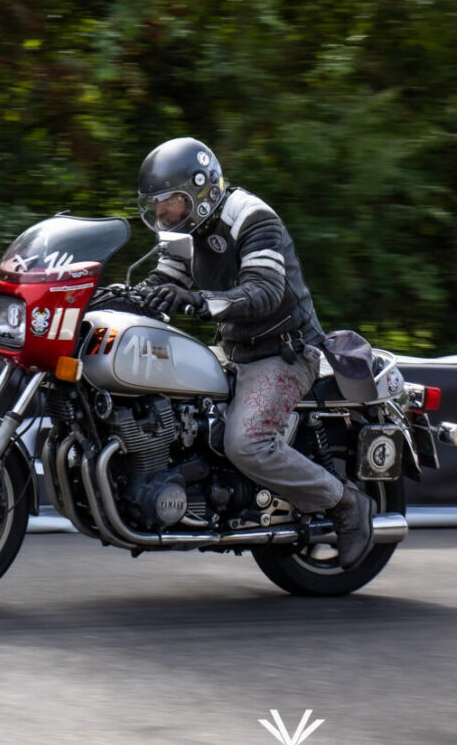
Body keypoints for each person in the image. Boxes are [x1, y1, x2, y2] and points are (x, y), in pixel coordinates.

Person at [132, 137, 375, 568]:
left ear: (200, 190)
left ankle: (345, 503)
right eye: (157, 203)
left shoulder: (251, 217)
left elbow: (264, 291)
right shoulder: (185, 230)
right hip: (233, 350)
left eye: (170, 200)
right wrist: (119, 297)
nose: (163, 211)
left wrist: (197, 301)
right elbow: (162, 282)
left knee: (247, 444)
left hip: (282, 352)